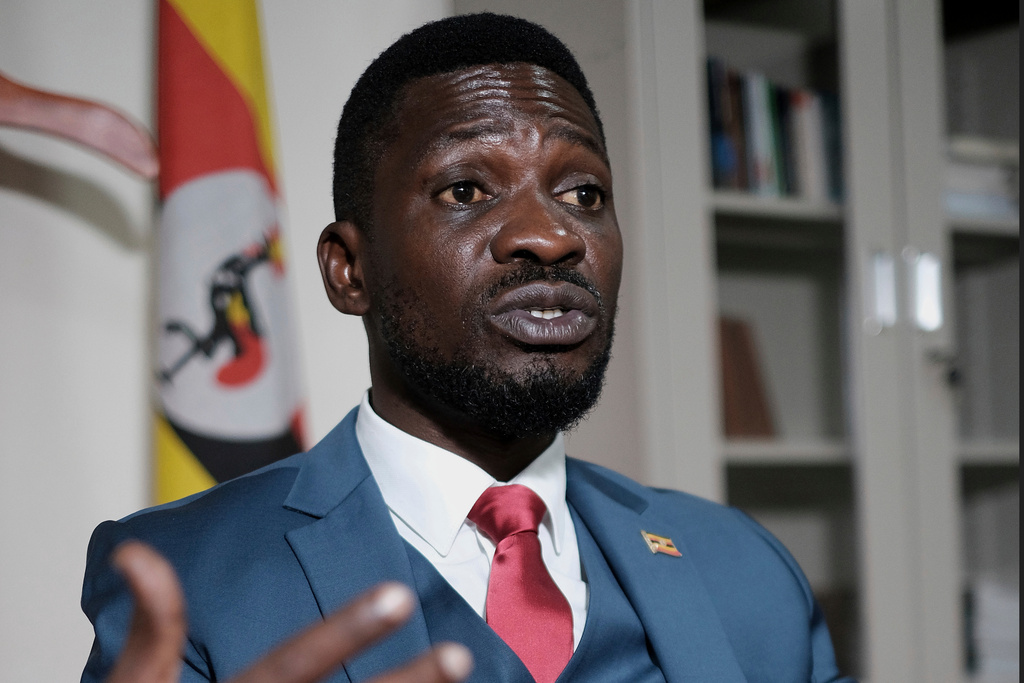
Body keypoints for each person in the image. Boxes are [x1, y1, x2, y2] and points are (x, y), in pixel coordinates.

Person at [82, 13, 853, 683]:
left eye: (583, 194)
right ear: (350, 270)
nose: (551, 236)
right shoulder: (188, 578)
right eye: (466, 191)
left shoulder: (743, 566)